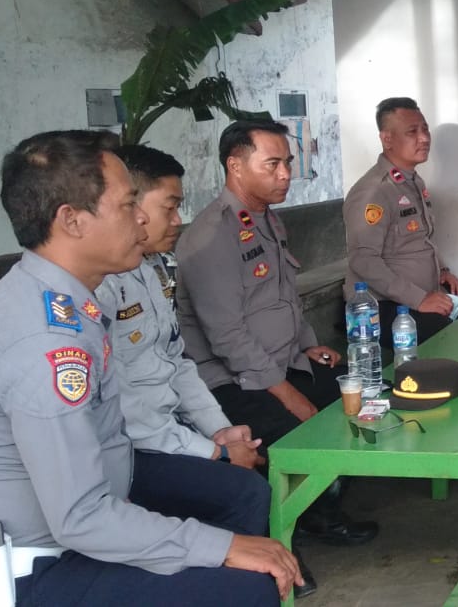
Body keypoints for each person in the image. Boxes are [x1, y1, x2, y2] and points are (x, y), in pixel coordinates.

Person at [0, 130, 297, 605]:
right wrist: (221, 546)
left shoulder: (66, 302)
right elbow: (81, 517)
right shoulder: (45, 343)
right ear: (72, 221)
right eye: (127, 205)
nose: (141, 218)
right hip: (25, 571)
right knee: (245, 588)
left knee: (238, 523)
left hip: (75, 534)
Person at [95, 144, 318, 597]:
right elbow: (126, 406)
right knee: (245, 489)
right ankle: (246, 580)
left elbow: (177, 362)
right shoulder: (100, 286)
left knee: (254, 452)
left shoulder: (153, 269)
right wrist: (211, 451)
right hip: (131, 449)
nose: (178, 220)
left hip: (168, 429)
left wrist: (221, 431)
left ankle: (259, 570)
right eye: (170, 207)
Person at [177, 120, 378, 547]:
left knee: (364, 398)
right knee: (300, 430)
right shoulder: (210, 237)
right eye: (273, 164)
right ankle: (287, 531)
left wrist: (309, 346)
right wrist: (289, 395)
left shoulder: (267, 219)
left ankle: (322, 507)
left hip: (282, 363)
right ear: (235, 166)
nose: (285, 174)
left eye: (287, 162)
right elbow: (227, 336)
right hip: (234, 382)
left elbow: (285, 296)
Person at [345, 97, 458, 344]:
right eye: (412, 132)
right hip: (383, 306)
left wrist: (443, 271)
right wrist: (419, 299)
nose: (424, 138)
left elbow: (421, 239)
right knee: (450, 337)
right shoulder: (373, 192)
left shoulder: (412, 182)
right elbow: (363, 260)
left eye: (425, 129)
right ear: (387, 139)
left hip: (427, 292)